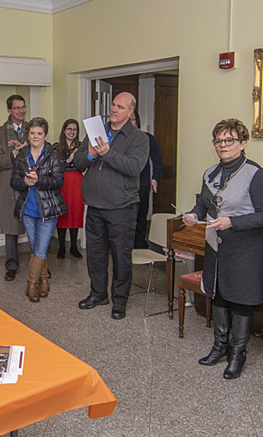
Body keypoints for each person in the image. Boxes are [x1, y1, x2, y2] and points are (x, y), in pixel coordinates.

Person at [183, 118, 263, 379]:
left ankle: (238, 354)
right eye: (218, 141)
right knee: (219, 295)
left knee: (241, 300)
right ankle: (219, 347)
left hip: (245, 249)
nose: (222, 145)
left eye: (229, 140)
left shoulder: (255, 174)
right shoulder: (210, 173)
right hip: (216, 246)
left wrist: (232, 222)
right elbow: (203, 205)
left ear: (243, 143)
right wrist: (193, 214)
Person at [73, 92, 149, 320]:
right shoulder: (97, 130)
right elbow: (78, 162)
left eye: (120, 107)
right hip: (94, 205)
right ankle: (98, 294)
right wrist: (90, 153)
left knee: (120, 256)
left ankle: (119, 301)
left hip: (121, 207)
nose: (114, 109)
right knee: (95, 254)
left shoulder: (138, 138)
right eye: (113, 105)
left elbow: (134, 167)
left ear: (130, 112)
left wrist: (107, 153)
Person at [10, 117, 67, 302]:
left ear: (45, 135)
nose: (35, 136)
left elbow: (59, 181)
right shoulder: (22, 154)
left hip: (48, 211)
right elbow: (13, 181)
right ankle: (44, 280)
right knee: (36, 248)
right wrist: (25, 182)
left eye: (39, 133)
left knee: (40, 250)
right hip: (28, 211)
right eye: (32, 133)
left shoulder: (54, 155)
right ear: (29, 134)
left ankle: (30, 285)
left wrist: (39, 180)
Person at [0, 95, 27, 281]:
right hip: (9, 186)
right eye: (17, 108)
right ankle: (11, 266)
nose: (21, 111)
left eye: (23, 107)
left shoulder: (33, 130)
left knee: (36, 226)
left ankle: (40, 266)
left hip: (30, 185)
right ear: (9, 110)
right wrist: (14, 153)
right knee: (11, 229)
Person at [130, 111, 163, 249]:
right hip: (124, 185)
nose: (130, 123)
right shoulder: (118, 139)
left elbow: (157, 159)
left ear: (137, 122)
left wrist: (155, 178)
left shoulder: (147, 138)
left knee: (141, 215)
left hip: (142, 183)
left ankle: (139, 243)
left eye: (132, 120)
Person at [54, 119, 84, 259]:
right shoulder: (56, 147)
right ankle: (61, 247)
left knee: (75, 212)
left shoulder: (82, 146)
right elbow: (54, 167)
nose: (72, 132)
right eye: (69, 129)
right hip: (62, 182)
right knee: (62, 213)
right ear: (64, 130)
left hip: (77, 182)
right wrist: (68, 159)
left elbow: (85, 165)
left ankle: (73, 246)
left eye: (75, 129)